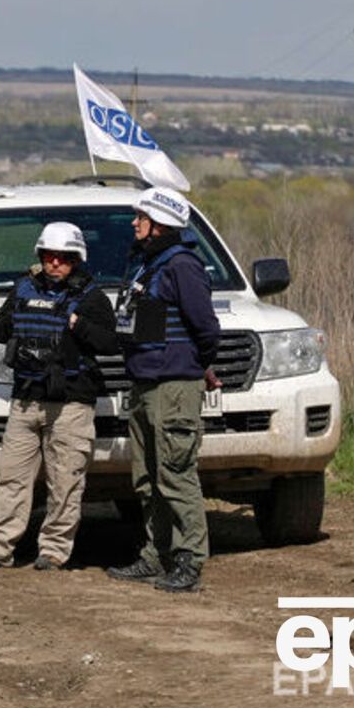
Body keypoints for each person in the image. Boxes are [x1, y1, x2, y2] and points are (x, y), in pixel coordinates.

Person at [0, 222, 118, 571]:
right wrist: (8, 316)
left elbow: (110, 343)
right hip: (26, 399)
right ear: (41, 257)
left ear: (76, 260)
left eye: (63, 258)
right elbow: (0, 330)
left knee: (65, 481)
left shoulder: (92, 298)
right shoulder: (23, 289)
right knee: (11, 478)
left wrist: (79, 325)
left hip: (71, 404)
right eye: (49, 257)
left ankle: (53, 552)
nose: (55, 264)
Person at [106, 187, 221, 593]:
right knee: (146, 476)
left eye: (141, 217)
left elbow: (206, 329)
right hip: (144, 383)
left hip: (173, 385)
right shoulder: (147, 265)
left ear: (160, 224)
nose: (134, 223)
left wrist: (195, 365)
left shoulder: (182, 266)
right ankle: (157, 555)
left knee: (175, 473)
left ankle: (189, 560)